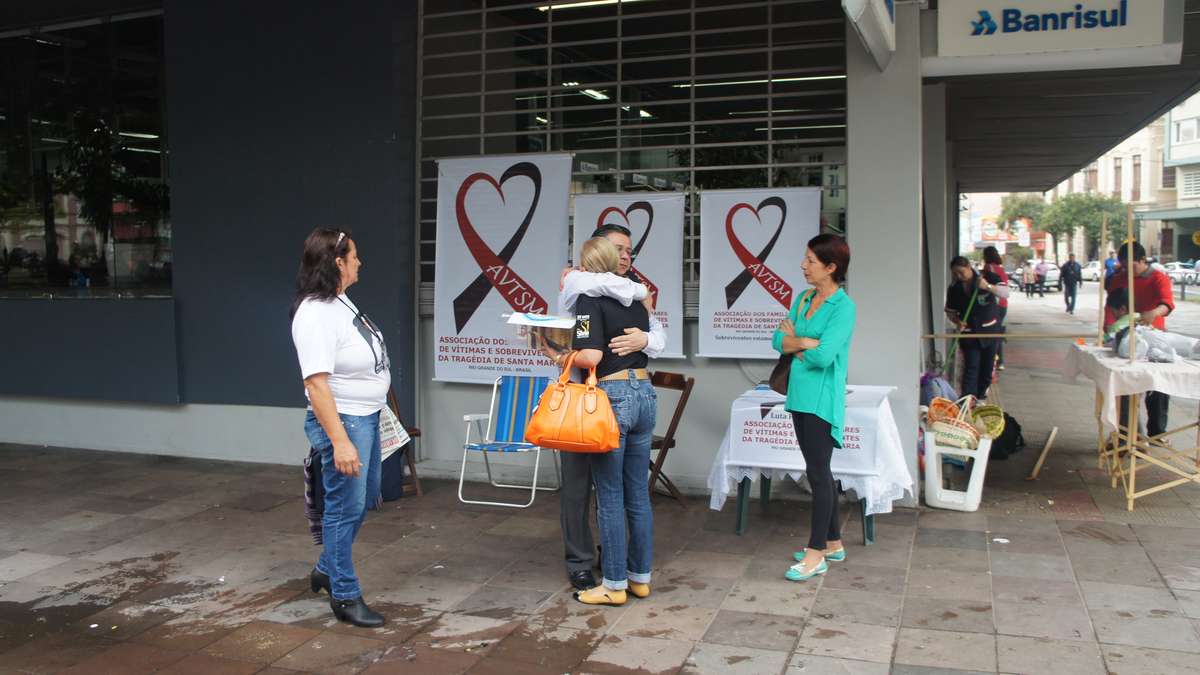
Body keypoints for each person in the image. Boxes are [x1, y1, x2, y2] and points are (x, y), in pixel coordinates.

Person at [553, 223, 666, 592]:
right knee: (588, 488)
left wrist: (556, 354)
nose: (624, 256)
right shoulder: (586, 287)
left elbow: (594, 353)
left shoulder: (631, 292)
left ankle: (615, 577)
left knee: (612, 495)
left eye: (629, 251)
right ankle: (623, 572)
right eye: (617, 249)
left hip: (608, 396)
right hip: (602, 396)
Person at [290, 228, 389, 628]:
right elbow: (316, 383)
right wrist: (340, 441)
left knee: (361, 502)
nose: (360, 262)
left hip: (366, 416)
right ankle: (344, 596)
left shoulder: (339, 301)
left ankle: (326, 568)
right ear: (338, 263)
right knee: (343, 509)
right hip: (345, 421)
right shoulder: (314, 313)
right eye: (355, 256)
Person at [773, 234, 856, 582]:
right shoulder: (804, 297)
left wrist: (799, 345)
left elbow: (824, 357)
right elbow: (778, 339)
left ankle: (815, 552)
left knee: (819, 473)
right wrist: (804, 342)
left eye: (811, 260)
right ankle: (833, 542)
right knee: (817, 469)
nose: (804, 266)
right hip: (798, 394)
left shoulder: (844, 307)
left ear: (831, 267)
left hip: (822, 400)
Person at [1105, 241, 1175, 437]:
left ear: (1143, 260)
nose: (1128, 270)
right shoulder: (1119, 279)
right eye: (1124, 266)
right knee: (1125, 386)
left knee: (1158, 387)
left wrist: (1153, 313)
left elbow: (1167, 304)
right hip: (1126, 339)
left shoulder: (1158, 278)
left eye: (1132, 266)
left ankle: (1157, 434)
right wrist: (1108, 331)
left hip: (1154, 337)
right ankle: (1128, 434)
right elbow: (1110, 306)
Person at [945, 257, 1008, 401]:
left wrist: (988, 287)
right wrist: (957, 321)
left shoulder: (988, 277)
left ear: (968, 267)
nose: (958, 276)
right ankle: (967, 401)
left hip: (990, 332)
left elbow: (1006, 293)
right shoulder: (954, 288)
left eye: (961, 272)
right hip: (969, 335)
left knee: (986, 371)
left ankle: (980, 399)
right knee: (971, 369)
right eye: (955, 274)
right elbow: (950, 311)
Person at [982, 247, 1009, 370]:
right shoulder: (1001, 269)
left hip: (994, 304)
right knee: (997, 331)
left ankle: (995, 360)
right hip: (1003, 304)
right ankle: (1000, 361)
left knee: (992, 332)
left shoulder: (989, 268)